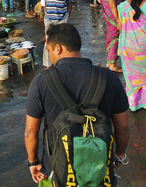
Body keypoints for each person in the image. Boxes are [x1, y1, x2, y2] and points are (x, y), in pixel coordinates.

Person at [25, 23, 129, 186]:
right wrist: (119, 154)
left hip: (55, 171)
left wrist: (33, 162)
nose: (49, 55)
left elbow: (31, 132)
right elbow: (122, 127)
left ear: (57, 48)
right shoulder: (110, 78)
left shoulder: (41, 82)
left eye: (49, 50)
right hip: (99, 169)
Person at [118, 0, 146, 111]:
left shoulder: (122, 7)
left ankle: (133, 103)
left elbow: (119, 26)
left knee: (132, 75)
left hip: (128, 47)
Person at [42, 0, 72, 68]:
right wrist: (45, 14)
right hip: (49, 19)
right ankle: (48, 65)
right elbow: (46, 3)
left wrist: (68, 13)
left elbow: (70, 2)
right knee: (48, 42)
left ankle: (63, 63)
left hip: (62, 19)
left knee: (62, 42)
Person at [97, 0, 121, 72]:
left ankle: (110, 62)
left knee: (111, 38)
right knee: (114, 39)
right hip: (112, 17)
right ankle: (112, 64)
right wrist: (117, 19)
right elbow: (112, 5)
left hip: (107, 16)